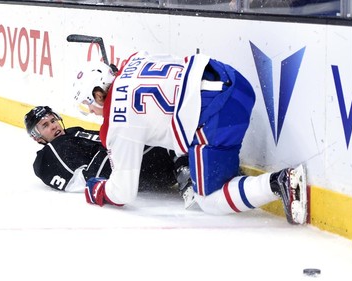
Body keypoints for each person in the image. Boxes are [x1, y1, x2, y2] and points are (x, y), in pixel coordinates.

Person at [74, 51, 307, 224]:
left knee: (209, 199)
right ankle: (227, 174)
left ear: (98, 94)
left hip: (217, 112)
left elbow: (123, 192)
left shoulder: (118, 121)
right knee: (185, 139)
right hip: (233, 80)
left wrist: (96, 190)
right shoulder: (135, 59)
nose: (92, 113)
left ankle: (279, 182)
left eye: (88, 106)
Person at [24, 106, 195, 208]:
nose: (53, 126)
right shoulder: (47, 155)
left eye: (53, 121)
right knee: (163, 137)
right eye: (45, 125)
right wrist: (119, 145)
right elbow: (84, 179)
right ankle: (187, 178)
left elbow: (106, 138)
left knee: (165, 129)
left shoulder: (73, 131)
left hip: (127, 160)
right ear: (37, 137)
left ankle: (194, 168)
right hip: (123, 170)